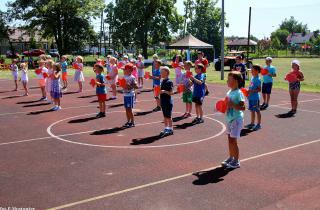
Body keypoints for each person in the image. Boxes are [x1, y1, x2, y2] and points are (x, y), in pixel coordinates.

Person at [221, 71, 245, 169]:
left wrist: (233, 105)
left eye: (229, 79)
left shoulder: (239, 93)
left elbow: (243, 107)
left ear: (235, 81)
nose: (227, 80)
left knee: (233, 141)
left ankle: (236, 161)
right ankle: (231, 157)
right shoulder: (229, 92)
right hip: (229, 118)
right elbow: (226, 103)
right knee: (230, 139)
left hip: (236, 119)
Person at [245, 65, 262, 131]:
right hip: (251, 97)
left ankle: (259, 124)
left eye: (252, 70)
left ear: (257, 71)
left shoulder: (258, 79)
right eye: (251, 70)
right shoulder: (252, 78)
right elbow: (251, 87)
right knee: (252, 110)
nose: (251, 71)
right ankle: (252, 123)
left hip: (255, 98)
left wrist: (251, 91)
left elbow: (259, 89)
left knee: (257, 111)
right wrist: (248, 92)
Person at [159, 66, 174, 137]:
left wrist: (164, 91)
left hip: (168, 101)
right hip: (163, 100)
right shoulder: (162, 81)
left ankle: (171, 129)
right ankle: (166, 128)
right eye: (161, 72)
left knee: (168, 116)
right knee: (165, 116)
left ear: (167, 73)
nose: (161, 73)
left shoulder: (169, 82)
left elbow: (171, 93)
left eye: (162, 72)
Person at [122, 63, 138, 128]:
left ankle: (133, 122)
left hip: (130, 95)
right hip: (125, 94)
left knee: (129, 109)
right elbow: (122, 84)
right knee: (126, 109)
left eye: (125, 69)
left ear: (129, 70)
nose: (124, 70)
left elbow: (136, 86)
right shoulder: (124, 77)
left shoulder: (132, 77)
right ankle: (128, 121)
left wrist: (130, 86)